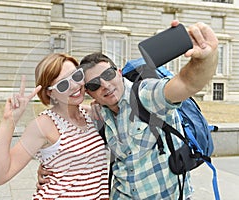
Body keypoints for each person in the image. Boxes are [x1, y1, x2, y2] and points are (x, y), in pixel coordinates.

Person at [37, 20, 218, 199]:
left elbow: (187, 83)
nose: (105, 86)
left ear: (119, 72)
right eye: (94, 84)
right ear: (89, 93)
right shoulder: (100, 112)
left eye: (108, 74)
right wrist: (51, 167)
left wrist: (206, 57)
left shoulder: (146, 94)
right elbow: (69, 125)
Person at [0, 53, 109, 199]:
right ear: (50, 93)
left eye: (76, 76)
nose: (75, 85)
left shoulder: (92, 115)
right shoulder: (44, 125)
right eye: (63, 84)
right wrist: (8, 121)